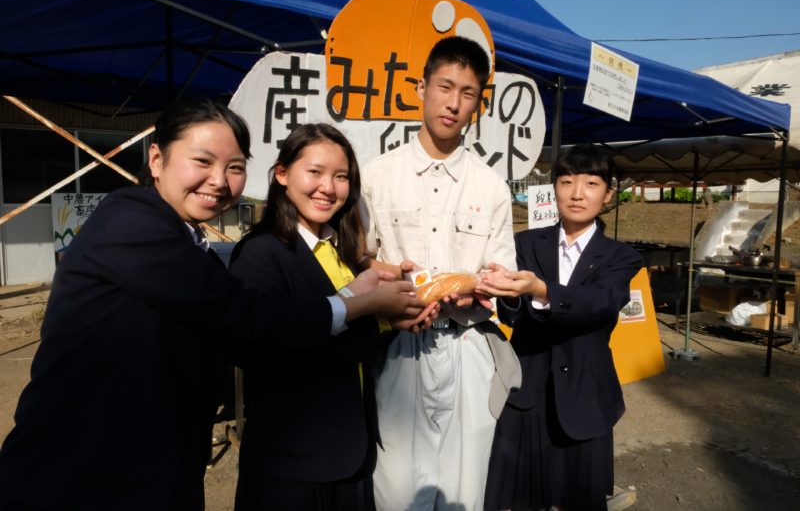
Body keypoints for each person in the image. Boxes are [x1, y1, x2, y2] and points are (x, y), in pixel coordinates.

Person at [0, 100, 423, 511]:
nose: (219, 180)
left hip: (153, 469)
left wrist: (360, 292)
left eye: (234, 167)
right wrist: (364, 309)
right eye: (202, 161)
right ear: (156, 159)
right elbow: (242, 318)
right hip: (81, 475)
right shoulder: (130, 224)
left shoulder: (192, 245)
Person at [228, 123, 435, 510]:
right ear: (282, 174)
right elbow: (274, 350)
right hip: (293, 464)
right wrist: (378, 315)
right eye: (316, 172)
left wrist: (397, 319)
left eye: (341, 177)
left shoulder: (340, 253)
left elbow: (349, 339)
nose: (329, 187)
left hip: (349, 452)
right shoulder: (259, 254)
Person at [360, 36, 521, 511]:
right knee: (394, 489)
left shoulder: (491, 186)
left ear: (479, 103)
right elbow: (359, 260)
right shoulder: (377, 176)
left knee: (464, 491)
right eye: (444, 86)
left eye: (467, 93)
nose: (453, 103)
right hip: (398, 346)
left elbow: (502, 271)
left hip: (466, 345)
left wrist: (478, 287)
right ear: (420, 88)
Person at [477, 144, 644, 511]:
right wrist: (504, 293)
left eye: (591, 183)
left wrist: (541, 289)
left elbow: (602, 303)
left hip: (586, 395)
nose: (577, 193)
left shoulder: (620, 256)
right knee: (517, 499)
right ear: (553, 188)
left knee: (578, 499)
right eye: (566, 181)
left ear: (608, 193)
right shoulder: (524, 243)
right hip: (527, 392)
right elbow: (511, 315)